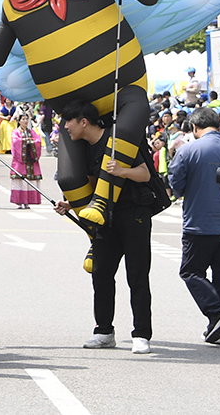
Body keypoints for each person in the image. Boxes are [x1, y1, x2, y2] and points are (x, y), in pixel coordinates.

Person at [55, 99, 155, 355]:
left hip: (134, 213)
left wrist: (122, 170)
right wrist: (70, 204)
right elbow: (92, 184)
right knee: (100, 273)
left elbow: (145, 174)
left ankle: (141, 334)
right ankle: (104, 331)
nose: (66, 126)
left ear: (84, 122)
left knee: (137, 275)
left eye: (69, 121)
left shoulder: (120, 140)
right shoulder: (84, 149)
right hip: (105, 219)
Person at [168, 106, 220, 343]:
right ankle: (219, 328)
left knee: (190, 271)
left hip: (199, 222)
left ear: (195, 128)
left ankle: (217, 313)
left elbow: (176, 184)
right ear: (219, 125)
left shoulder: (188, 149)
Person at [10, 113, 43, 208]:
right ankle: (19, 202)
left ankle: (27, 201)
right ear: (19, 121)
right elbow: (15, 141)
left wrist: (30, 141)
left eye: (26, 119)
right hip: (20, 161)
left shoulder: (31, 131)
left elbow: (38, 140)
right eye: (23, 119)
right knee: (20, 180)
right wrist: (26, 141)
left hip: (30, 160)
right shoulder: (16, 131)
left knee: (29, 181)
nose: (25, 121)